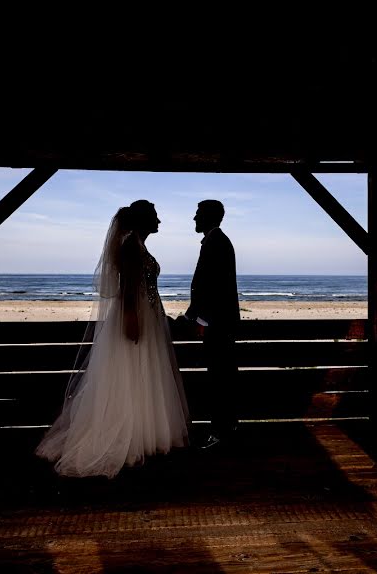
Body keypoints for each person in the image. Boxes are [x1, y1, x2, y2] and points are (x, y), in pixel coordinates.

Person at [36, 200, 190, 478]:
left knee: (144, 374)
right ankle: (131, 437)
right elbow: (130, 288)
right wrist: (132, 320)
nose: (159, 221)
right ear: (143, 220)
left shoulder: (138, 244)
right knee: (132, 373)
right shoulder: (131, 246)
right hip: (136, 315)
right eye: (155, 216)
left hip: (148, 315)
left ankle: (145, 433)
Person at [180, 199, 240, 450]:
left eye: (198, 214)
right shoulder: (217, 241)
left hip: (218, 324)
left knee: (219, 377)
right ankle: (225, 427)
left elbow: (214, 286)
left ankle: (220, 432)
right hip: (220, 322)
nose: (194, 219)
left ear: (209, 217)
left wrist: (199, 319)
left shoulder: (216, 242)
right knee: (221, 376)